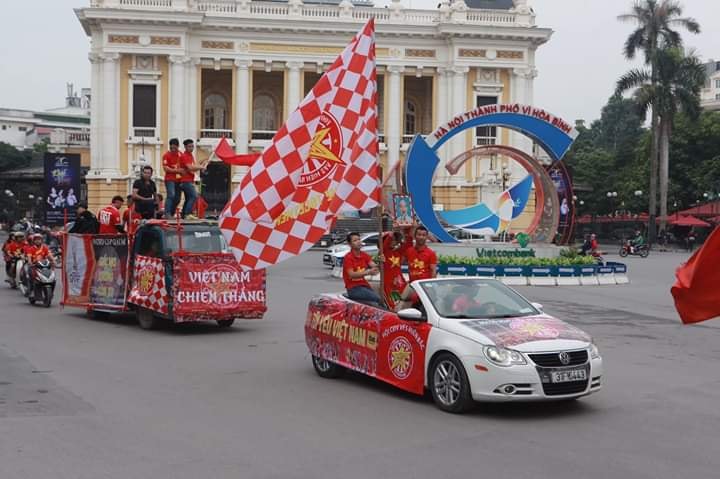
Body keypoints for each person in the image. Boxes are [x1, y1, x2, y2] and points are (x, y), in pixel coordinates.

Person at [343, 231, 382, 307]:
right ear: (350, 244)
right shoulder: (348, 257)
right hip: (353, 288)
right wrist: (368, 272)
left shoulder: (364, 255)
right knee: (377, 299)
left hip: (364, 286)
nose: (358, 242)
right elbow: (351, 274)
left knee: (381, 299)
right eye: (355, 240)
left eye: (359, 239)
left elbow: (374, 266)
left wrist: (380, 262)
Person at [177, 139, 206, 218]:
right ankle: (187, 214)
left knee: (188, 198)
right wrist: (201, 167)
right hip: (185, 181)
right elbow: (190, 167)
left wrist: (201, 166)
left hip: (189, 180)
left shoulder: (190, 156)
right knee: (194, 196)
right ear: (185, 147)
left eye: (192, 146)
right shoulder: (184, 156)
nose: (191, 148)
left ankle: (184, 214)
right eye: (189, 146)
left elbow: (193, 168)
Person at [381, 231, 408, 308]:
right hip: (389, 284)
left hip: (400, 282)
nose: (393, 241)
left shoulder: (397, 252)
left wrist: (401, 232)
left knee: (404, 304)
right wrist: (391, 233)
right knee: (394, 306)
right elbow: (384, 246)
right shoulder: (383, 253)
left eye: (395, 240)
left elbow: (405, 245)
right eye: (391, 240)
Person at [162, 138, 184, 218]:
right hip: (169, 179)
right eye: (171, 148)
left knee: (178, 198)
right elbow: (166, 168)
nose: (173, 150)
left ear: (178, 146)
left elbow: (185, 167)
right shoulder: (166, 155)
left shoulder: (181, 155)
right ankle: (167, 213)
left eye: (175, 148)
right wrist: (177, 170)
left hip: (179, 180)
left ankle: (171, 212)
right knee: (171, 195)